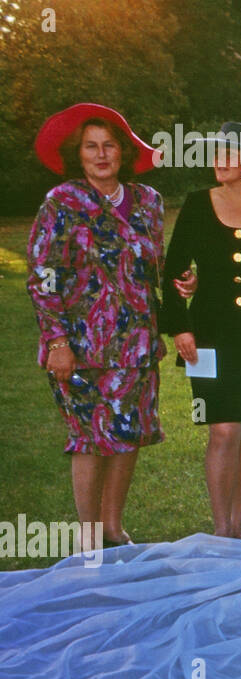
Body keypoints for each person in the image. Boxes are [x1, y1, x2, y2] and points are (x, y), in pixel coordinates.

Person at [28, 104, 166, 550]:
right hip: (80, 346)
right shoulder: (61, 202)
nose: (101, 154)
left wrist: (175, 298)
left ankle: (113, 527)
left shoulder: (148, 201)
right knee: (89, 438)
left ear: (124, 152)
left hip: (137, 343)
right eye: (92, 146)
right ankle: (88, 536)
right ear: (78, 153)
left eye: (109, 146)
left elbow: (153, 268)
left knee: (127, 434)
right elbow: (43, 277)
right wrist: (57, 341)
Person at [160, 122, 241, 540]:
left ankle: (240, 524)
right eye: (215, 153)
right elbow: (173, 271)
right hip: (208, 333)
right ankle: (220, 526)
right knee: (224, 429)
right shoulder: (198, 203)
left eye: (229, 153)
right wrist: (180, 328)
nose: (218, 162)